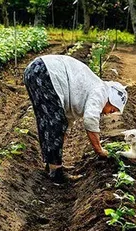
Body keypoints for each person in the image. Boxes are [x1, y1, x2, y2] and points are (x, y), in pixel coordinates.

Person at [24, 55, 128, 183]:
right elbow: (90, 120)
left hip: (38, 71)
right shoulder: (100, 92)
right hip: (44, 72)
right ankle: (56, 172)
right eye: (112, 110)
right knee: (53, 122)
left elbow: (65, 125)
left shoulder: (94, 90)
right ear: (110, 100)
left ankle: (53, 165)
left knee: (53, 122)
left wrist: (58, 148)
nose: (108, 114)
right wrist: (99, 150)